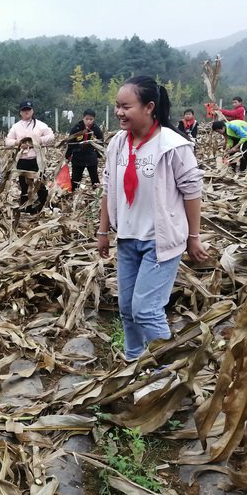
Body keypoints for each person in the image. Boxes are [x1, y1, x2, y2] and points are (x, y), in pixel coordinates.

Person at [97, 75, 208, 362]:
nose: (119, 112)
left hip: (160, 241)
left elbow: (192, 192)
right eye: (117, 106)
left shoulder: (173, 145)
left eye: (126, 106)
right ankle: (134, 363)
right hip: (128, 239)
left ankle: (167, 373)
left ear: (149, 107)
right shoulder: (117, 145)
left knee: (146, 309)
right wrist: (103, 231)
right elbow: (108, 189)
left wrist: (193, 237)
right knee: (126, 307)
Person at [5, 100, 54, 211]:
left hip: (36, 159)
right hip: (22, 160)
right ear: (20, 112)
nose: (26, 112)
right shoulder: (16, 127)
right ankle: (26, 207)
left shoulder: (40, 125)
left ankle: (45, 205)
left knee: (40, 182)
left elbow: (51, 136)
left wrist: (37, 141)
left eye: (28, 110)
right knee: (24, 184)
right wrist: (17, 143)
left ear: (32, 111)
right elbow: (8, 141)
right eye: (24, 110)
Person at [65, 109, 104, 191]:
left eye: (91, 119)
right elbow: (70, 142)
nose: (89, 121)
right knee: (76, 177)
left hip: (91, 155)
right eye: (87, 119)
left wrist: (98, 153)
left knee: (94, 177)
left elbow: (101, 141)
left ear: (94, 119)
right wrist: (68, 155)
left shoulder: (95, 128)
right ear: (83, 118)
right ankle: (74, 193)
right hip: (78, 155)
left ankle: (96, 193)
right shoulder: (77, 128)